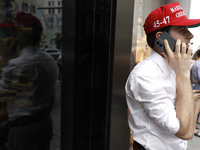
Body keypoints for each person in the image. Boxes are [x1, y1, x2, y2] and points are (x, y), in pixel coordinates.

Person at [125, 2, 200, 150]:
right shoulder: (145, 75)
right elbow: (186, 132)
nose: (190, 35)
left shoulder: (173, 68)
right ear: (162, 38)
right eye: (182, 29)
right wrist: (185, 78)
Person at [0, 11, 57, 150]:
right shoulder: (49, 59)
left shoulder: (19, 64)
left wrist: (6, 58)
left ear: (21, 34)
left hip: (24, 132)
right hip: (43, 124)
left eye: (14, 30)